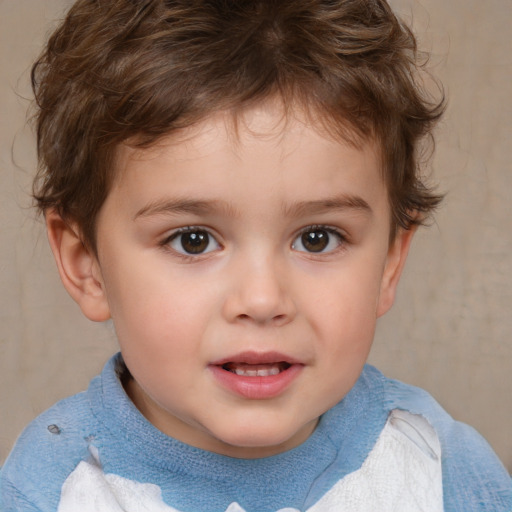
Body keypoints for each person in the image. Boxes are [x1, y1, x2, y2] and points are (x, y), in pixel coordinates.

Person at [1, 0, 510, 510]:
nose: (263, 300)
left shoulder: (440, 471)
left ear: (389, 263)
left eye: (318, 238)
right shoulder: (51, 489)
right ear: (86, 263)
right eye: (193, 240)